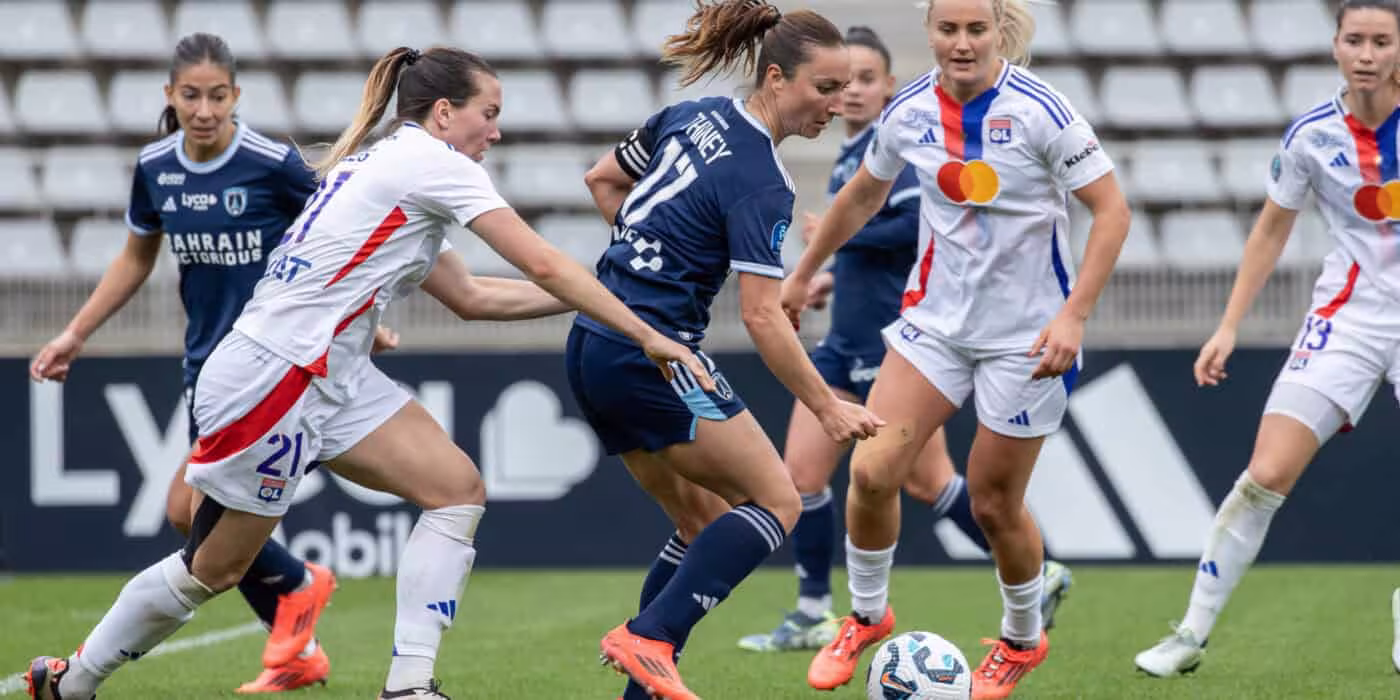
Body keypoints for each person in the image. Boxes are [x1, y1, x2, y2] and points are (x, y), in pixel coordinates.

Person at [25, 45, 711, 700]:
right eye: (489, 113)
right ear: (443, 113)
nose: (496, 133)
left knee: (455, 489)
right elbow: (540, 263)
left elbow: (472, 297)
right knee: (215, 568)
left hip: (329, 373)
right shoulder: (432, 164)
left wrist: (602, 295)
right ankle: (74, 681)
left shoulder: (396, 165)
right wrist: (646, 331)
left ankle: (410, 683)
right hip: (277, 376)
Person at [783, 0, 1130, 697]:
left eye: (976, 29)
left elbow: (1112, 209)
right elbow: (859, 197)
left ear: (998, 31)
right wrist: (799, 275)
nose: (962, 43)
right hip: (932, 328)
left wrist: (1073, 317)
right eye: (948, 29)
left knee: (995, 506)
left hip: (1025, 340)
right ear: (931, 32)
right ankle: (868, 616)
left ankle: (1021, 640)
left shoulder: (1042, 110)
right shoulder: (908, 110)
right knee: (874, 473)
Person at [569, 2, 883, 698]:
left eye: (845, 90)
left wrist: (650, 252)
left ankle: (641, 679)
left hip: (594, 342)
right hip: (655, 355)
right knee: (777, 503)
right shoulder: (764, 182)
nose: (836, 104)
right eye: (824, 88)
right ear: (776, 78)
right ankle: (649, 638)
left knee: (700, 520)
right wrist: (826, 405)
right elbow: (765, 320)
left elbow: (602, 179)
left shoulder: (692, 112)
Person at [736, 24, 1073, 655]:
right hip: (858, 337)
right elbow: (864, 211)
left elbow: (920, 225)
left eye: (866, 80)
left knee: (942, 487)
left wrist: (829, 247)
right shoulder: (861, 151)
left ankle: (1036, 579)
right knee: (812, 475)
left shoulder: (935, 140)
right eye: (842, 82)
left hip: (902, 334)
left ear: (888, 85)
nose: (853, 93)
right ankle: (822, 609)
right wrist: (818, 273)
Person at [28, 33, 349, 694]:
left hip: (271, 366)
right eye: (191, 95)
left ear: (237, 96)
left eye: (218, 95)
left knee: (191, 515)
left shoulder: (271, 163)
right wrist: (75, 332)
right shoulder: (156, 167)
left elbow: (338, 235)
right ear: (170, 97)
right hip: (207, 366)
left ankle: (295, 604)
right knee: (188, 517)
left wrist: (359, 321)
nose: (205, 109)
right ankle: (296, 615)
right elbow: (135, 258)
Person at [1135, 0, 1400, 678]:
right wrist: (1227, 325)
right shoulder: (1312, 135)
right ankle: (1190, 634)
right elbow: (1270, 230)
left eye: (1381, 41)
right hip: (1348, 319)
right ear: (1336, 45)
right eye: (1354, 40)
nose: (1366, 54)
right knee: (1265, 475)